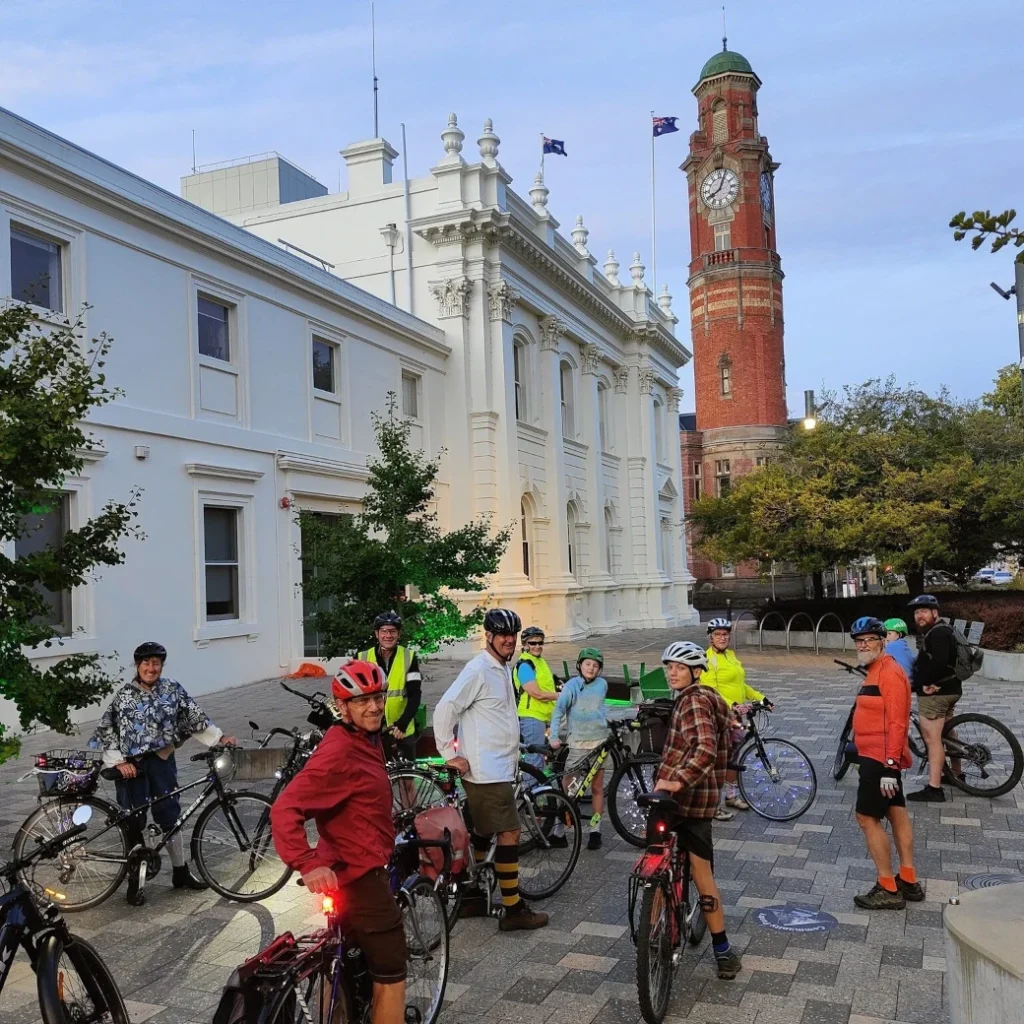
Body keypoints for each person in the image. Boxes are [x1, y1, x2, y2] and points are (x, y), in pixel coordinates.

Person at [270, 661, 407, 1024]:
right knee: (392, 971)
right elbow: (285, 808)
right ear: (343, 707)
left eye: (378, 697)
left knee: (343, 960)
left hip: (345, 867)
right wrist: (306, 861)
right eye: (362, 701)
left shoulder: (360, 738)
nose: (374, 706)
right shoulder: (341, 751)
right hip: (361, 875)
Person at [90, 641, 237, 905]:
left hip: (162, 763)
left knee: (170, 814)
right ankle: (135, 880)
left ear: (161, 665)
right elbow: (108, 728)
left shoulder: (172, 690)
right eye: (146, 663)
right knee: (134, 819)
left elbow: (195, 717)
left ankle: (180, 871)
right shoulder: (124, 696)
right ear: (137, 666)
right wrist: (116, 762)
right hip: (132, 767)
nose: (151, 667)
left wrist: (220, 739)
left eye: (156, 663)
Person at [433, 608, 548, 930]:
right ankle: (513, 909)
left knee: (483, 830)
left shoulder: (501, 667)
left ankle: (471, 897)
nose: (509, 640)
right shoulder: (479, 670)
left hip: (499, 765)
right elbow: (446, 708)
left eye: (512, 635)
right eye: (502, 635)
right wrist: (447, 754)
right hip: (487, 771)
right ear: (488, 636)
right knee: (509, 832)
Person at [654, 641, 742, 981]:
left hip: (683, 800)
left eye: (679, 667)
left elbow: (705, 747)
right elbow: (728, 731)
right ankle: (723, 953)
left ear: (695, 671)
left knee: (665, 862)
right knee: (703, 874)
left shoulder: (691, 702)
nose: (672, 673)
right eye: (669, 667)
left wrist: (677, 779)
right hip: (705, 800)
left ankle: (657, 927)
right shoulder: (709, 696)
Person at [847, 617, 923, 910]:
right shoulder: (875, 668)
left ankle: (888, 888)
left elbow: (897, 722)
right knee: (896, 813)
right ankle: (908, 879)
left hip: (880, 760)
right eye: (859, 640)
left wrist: (890, 766)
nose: (863, 645)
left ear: (882, 641)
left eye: (869, 639)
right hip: (877, 756)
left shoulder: (889, 671)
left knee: (867, 818)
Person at [702, 618, 769, 819]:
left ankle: (731, 796)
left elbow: (742, 685)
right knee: (718, 761)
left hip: (736, 715)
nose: (722, 638)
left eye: (725, 634)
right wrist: (731, 704)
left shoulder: (731, 655)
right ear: (710, 638)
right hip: (720, 715)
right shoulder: (707, 659)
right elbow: (710, 690)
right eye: (717, 634)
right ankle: (712, 805)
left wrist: (761, 698)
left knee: (733, 757)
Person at [550, 648, 609, 850]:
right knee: (568, 790)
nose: (591, 668)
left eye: (595, 665)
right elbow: (559, 710)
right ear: (579, 665)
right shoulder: (572, 685)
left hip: (599, 743)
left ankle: (595, 830)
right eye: (587, 664)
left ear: (599, 669)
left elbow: (600, 709)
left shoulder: (602, 685)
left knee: (597, 789)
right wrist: (555, 735)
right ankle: (560, 832)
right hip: (577, 744)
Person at [906, 594, 961, 803]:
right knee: (948, 732)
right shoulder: (942, 630)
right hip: (950, 689)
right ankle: (956, 773)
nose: (919, 616)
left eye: (924, 611)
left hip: (936, 693)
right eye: (916, 612)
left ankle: (934, 788)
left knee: (932, 739)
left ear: (935, 612)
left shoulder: (937, 634)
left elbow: (938, 663)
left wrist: (923, 683)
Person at [359, 610, 422, 763]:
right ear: (377, 634)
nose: (388, 635)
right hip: (372, 729)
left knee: (407, 781)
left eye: (393, 631)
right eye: (384, 631)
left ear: (399, 634)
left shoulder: (409, 657)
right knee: (375, 778)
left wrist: (403, 724)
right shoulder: (363, 658)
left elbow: (415, 695)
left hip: (401, 729)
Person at [515, 626, 559, 770]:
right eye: (533, 643)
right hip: (531, 717)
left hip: (542, 716)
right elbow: (536, 693)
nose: (537, 646)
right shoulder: (525, 665)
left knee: (539, 758)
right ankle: (532, 792)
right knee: (534, 761)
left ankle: (536, 791)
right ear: (525, 645)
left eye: (540, 643)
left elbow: (546, 685)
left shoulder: (539, 662)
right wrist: (559, 696)